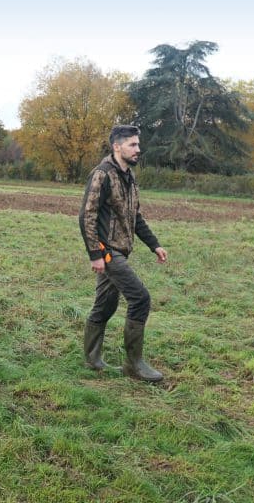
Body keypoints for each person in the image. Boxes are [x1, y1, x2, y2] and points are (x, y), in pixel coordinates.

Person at [78, 125, 168, 383]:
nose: (138, 149)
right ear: (117, 147)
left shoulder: (128, 177)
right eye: (132, 145)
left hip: (120, 250)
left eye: (138, 145)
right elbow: (87, 216)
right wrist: (95, 253)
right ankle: (134, 364)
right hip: (108, 252)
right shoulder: (102, 174)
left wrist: (154, 244)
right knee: (140, 298)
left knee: (106, 304)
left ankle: (93, 360)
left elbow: (134, 217)